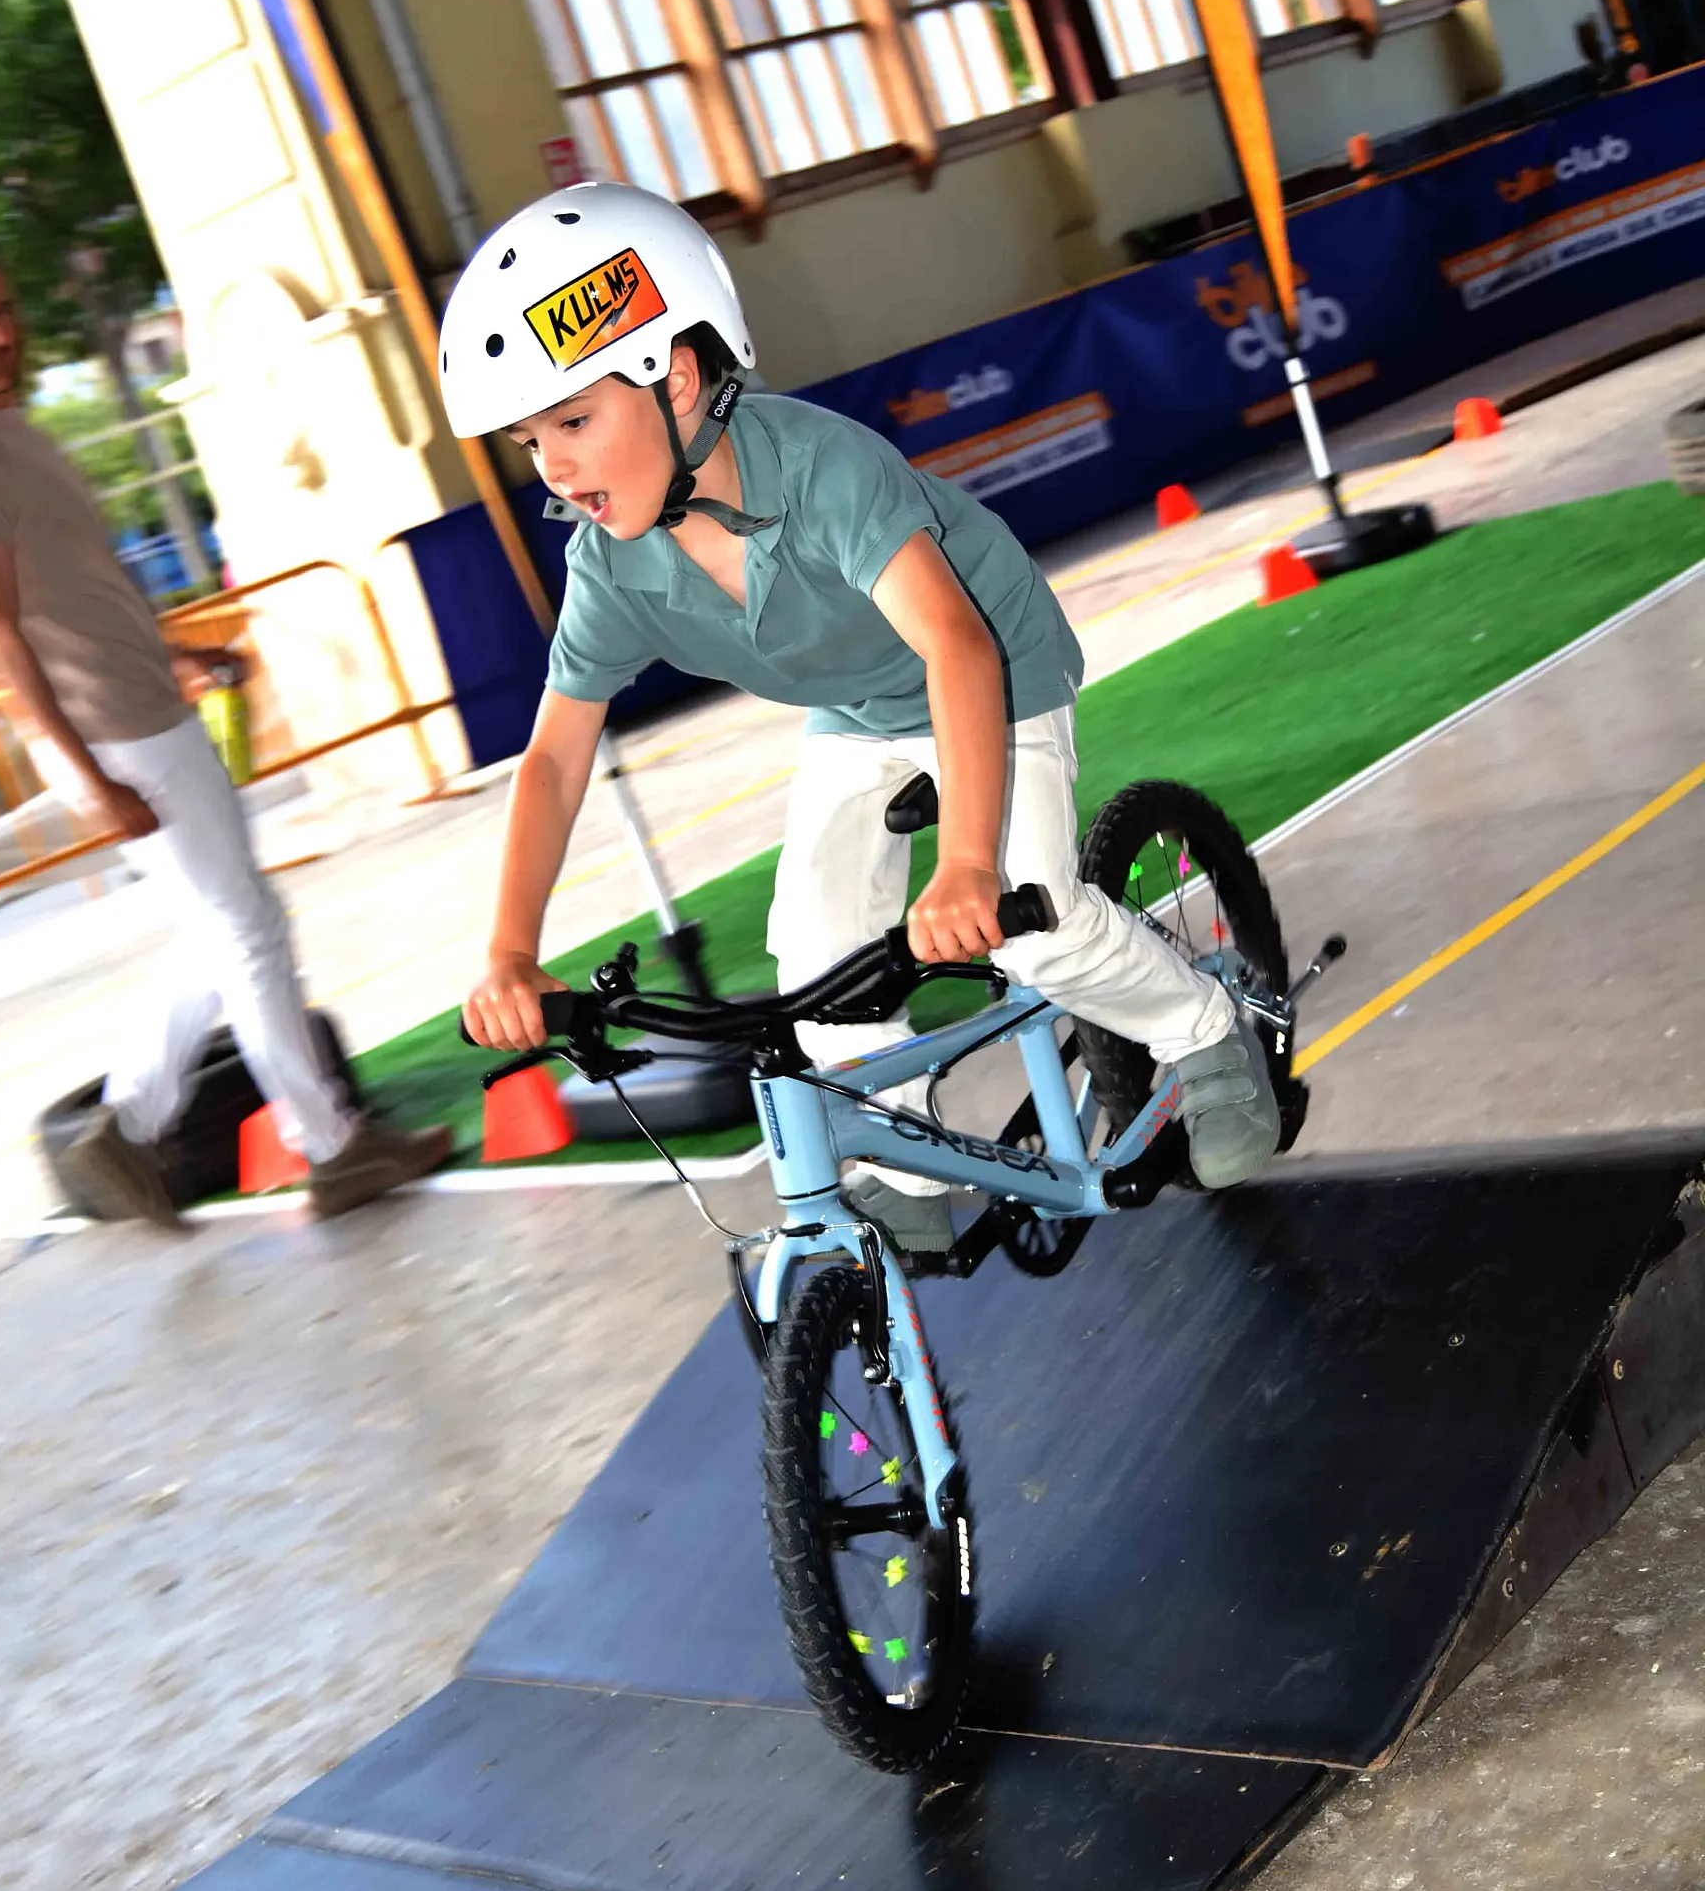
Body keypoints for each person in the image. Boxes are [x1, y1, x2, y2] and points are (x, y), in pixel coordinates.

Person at [451, 183, 1277, 1249]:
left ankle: (1209, 1035)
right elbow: (557, 760)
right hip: (855, 706)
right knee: (816, 960)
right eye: (530, 441)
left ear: (680, 380)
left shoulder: (826, 472)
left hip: (992, 665)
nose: (554, 464)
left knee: (1033, 920)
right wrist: (511, 951)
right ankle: (908, 1160)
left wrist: (968, 861)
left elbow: (956, 646)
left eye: (574, 420)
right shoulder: (610, 561)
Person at [0, 227, 449, 1227]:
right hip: (111, 732)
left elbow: (81, 589)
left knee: (221, 920)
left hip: (140, 704)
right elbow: (0, 633)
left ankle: (130, 1125)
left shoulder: (16, 432)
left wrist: (179, 657)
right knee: (246, 922)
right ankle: (333, 1147)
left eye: (0, 311)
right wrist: (82, 769)